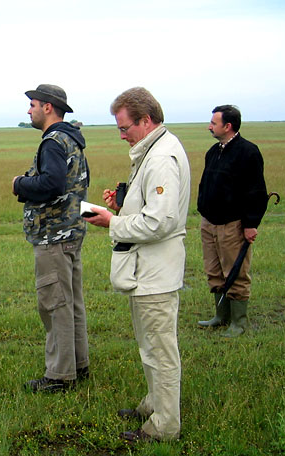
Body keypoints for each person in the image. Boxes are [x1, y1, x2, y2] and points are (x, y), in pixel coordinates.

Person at [85, 87, 190, 442]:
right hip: (146, 270)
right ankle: (154, 404)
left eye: (124, 127)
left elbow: (161, 221)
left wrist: (111, 223)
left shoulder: (161, 158)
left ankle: (164, 427)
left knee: (160, 349)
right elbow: (150, 209)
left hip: (155, 272)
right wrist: (125, 204)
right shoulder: (154, 150)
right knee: (150, 345)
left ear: (146, 121)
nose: (121, 134)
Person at [13, 84, 90, 393]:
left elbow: (53, 184)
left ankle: (59, 376)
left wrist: (20, 183)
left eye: (33, 104)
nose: (29, 110)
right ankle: (78, 365)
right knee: (71, 303)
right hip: (71, 231)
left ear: (48, 107)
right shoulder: (71, 139)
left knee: (54, 304)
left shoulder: (53, 142)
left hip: (53, 235)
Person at [197, 105, 267, 337]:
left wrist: (250, 224)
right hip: (209, 222)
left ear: (228, 126)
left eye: (214, 123)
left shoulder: (248, 152)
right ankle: (221, 316)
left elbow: (255, 192)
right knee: (214, 271)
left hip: (233, 224)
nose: (209, 126)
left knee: (235, 272)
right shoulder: (213, 151)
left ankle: (239, 322)